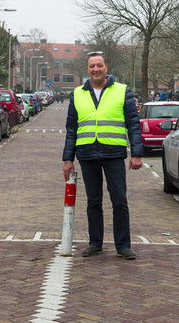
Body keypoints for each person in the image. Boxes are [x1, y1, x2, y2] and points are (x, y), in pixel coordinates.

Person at [62, 51, 143, 260]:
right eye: (92, 66)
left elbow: (134, 124)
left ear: (106, 67)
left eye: (99, 65)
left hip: (114, 153)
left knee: (119, 201)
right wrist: (67, 159)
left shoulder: (123, 91)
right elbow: (71, 128)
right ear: (87, 69)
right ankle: (95, 243)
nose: (96, 69)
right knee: (93, 202)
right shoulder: (77, 93)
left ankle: (123, 245)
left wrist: (136, 154)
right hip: (87, 153)